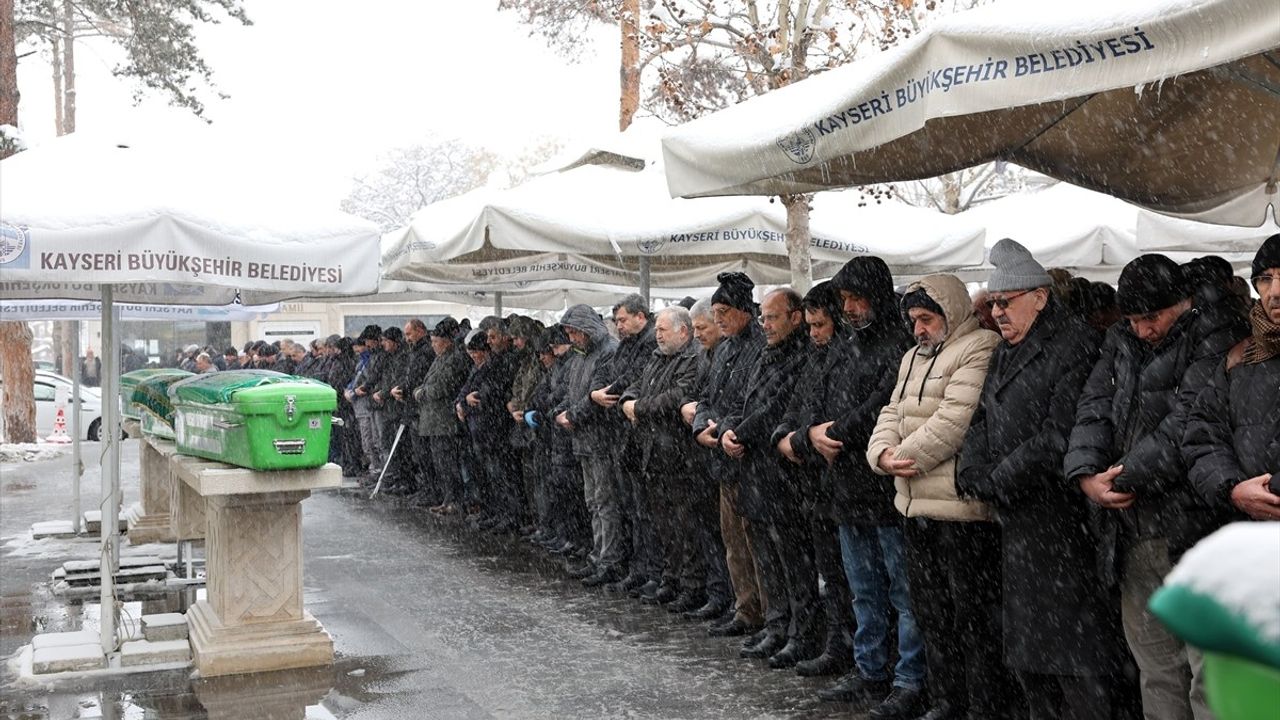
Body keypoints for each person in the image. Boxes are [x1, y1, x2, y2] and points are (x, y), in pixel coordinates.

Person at [1065, 253, 1246, 720]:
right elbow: (1093, 406)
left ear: (1182, 302)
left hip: (1195, 528)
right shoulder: (1119, 339)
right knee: (1156, 667)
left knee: (1208, 672)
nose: (1143, 329)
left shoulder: (1215, 335)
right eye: (1134, 319)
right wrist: (1086, 473)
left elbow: (1188, 421)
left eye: (1153, 318)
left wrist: (1120, 477)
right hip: (1132, 532)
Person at [955, 239, 1112, 720]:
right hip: (1018, 522)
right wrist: (971, 470)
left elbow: (1058, 434)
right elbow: (982, 417)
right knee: (1031, 659)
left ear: (1040, 297)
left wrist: (997, 478)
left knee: (1074, 660)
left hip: (1062, 522)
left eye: (1007, 301)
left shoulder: (1075, 344)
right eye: (993, 303)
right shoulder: (1007, 349)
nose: (998, 312)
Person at [865, 273, 1008, 720]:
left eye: (926, 319)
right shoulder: (912, 356)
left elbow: (954, 422)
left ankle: (981, 704)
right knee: (932, 614)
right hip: (914, 505)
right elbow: (891, 410)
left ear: (950, 313)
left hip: (959, 510)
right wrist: (881, 455)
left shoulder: (981, 346)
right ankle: (948, 700)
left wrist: (900, 456)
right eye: (913, 320)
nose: (918, 329)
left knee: (971, 618)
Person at [806, 259, 924, 719]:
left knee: (901, 592)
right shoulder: (848, 345)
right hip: (847, 488)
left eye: (857, 299)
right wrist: (815, 430)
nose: (850, 309)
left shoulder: (898, 344)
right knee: (864, 589)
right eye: (845, 301)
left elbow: (881, 407)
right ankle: (870, 669)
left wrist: (831, 432)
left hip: (885, 488)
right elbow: (825, 396)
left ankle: (907, 678)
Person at [721, 288, 815, 665]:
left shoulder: (801, 355)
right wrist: (728, 429)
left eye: (772, 317)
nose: (766, 324)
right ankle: (777, 626)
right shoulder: (765, 353)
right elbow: (743, 401)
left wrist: (738, 432)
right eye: (763, 317)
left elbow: (776, 407)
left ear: (796, 317)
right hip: (754, 471)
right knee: (767, 559)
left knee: (793, 561)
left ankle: (800, 632)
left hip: (781, 475)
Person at [689, 272, 768, 639]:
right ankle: (745, 608)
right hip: (722, 456)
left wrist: (721, 428)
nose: (718, 318)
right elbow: (707, 397)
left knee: (757, 545)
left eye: (723, 311)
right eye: (715, 311)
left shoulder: (760, 347)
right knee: (733, 542)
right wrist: (703, 424)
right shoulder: (722, 350)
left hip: (748, 457)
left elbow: (751, 402)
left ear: (743, 311)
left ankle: (768, 615)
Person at [1183, 235, 1280, 525]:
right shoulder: (1239, 358)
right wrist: (1233, 488)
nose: (1275, 291)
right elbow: (1202, 436)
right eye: (1264, 278)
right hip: (1253, 540)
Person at [620, 306, 703, 611]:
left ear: (683, 331)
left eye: (663, 330)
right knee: (664, 524)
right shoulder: (657, 358)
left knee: (685, 526)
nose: (657, 335)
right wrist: (629, 401)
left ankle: (691, 584)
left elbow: (677, 397)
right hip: (652, 455)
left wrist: (637, 408)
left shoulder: (692, 358)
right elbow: (636, 386)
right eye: (656, 330)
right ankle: (671, 578)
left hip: (679, 458)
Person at [554, 305, 622, 585]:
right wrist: (561, 412)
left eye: (574, 332)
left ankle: (609, 559)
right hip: (584, 438)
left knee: (605, 502)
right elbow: (574, 393)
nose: (571, 338)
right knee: (594, 501)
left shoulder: (607, 351)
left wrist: (571, 414)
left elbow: (599, 395)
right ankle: (598, 555)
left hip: (601, 439)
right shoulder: (580, 355)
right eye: (569, 333)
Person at [678, 299, 735, 623]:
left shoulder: (728, 355)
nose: (697, 334)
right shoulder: (705, 356)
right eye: (696, 328)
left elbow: (719, 401)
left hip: (720, 453)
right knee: (711, 532)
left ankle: (729, 598)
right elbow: (699, 395)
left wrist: (700, 413)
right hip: (702, 457)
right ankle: (719, 594)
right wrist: (695, 410)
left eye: (702, 328)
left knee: (724, 535)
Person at [415, 318, 471, 515]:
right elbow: (428, 383)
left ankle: (455, 500)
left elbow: (441, 387)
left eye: (436, 341)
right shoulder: (440, 358)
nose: (433, 345)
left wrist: (421, 392)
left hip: (445, 421)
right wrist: (422, 390)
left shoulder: (454, 358)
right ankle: (448, 499)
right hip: (435, 421)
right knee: (440, 464)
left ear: (447, 341)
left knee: (449, 464)